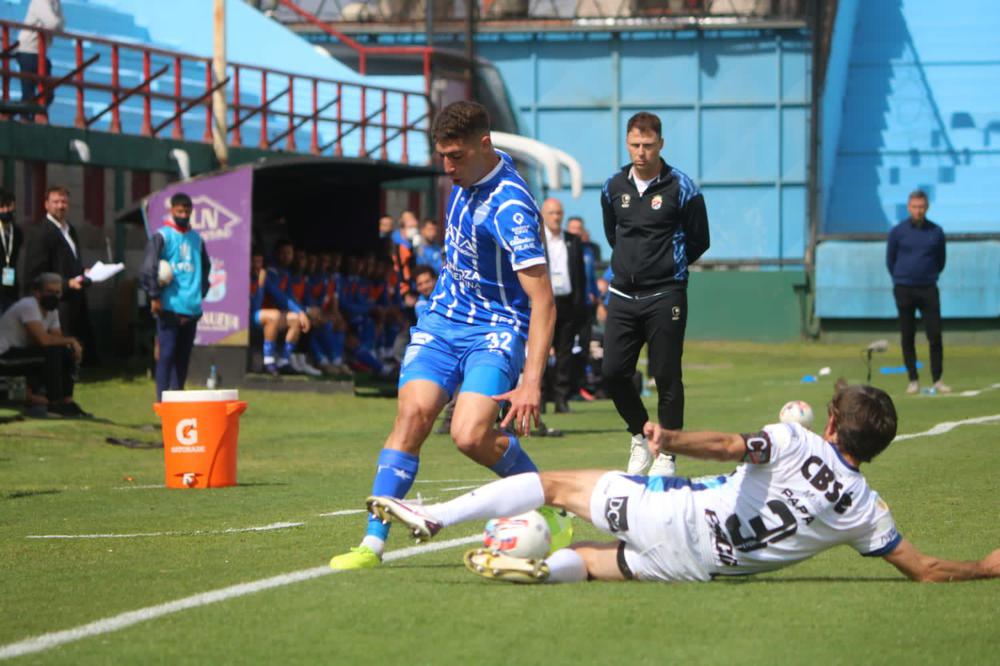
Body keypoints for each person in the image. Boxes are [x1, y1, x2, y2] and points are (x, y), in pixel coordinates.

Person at [369, 382, 1000, 586]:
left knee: (555, 483)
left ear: (833, 423)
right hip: (704, 569)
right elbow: (926, 569)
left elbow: (732, 446)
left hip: (677, 518)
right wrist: (988, 566)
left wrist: (669, 439)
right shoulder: (864, 509)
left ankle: (436, 518)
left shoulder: (794, 440)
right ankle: (537, 569)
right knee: (589, 563)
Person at [328, 100, 558, 571]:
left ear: (484, 145)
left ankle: (546, 500)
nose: (447, 167)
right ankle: (372, 543)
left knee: (470, 435)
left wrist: (532, 382)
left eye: (456, 156)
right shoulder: (466, 177)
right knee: (412, 414)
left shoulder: (512, 207)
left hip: (495, 329)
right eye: (443, 157)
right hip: (442, 322)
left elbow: (543, 301)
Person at [601, 111, 710, 477]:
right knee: (613, 373)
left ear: (661, 144)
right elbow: (613, 234)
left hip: (666, 295)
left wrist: (666, 267)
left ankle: (667, 452)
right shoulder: (613, 186)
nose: (641, 152)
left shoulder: (683, 187)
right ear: (627, 143)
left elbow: (700, 240)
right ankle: (638, 434)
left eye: (648, 145)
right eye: (635, 145)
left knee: (665, 374)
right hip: (622, 295)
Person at [140, 193, 210, 401]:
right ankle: (163, 402)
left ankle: (177, 400)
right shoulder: (163, 236)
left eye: (187, 211)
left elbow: (205, 268)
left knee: (183, 358)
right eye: (179, 211)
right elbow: (149, 267)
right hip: (169, 306)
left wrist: (200, 292)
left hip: (192, 307)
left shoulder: (197, 239)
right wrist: (154, 295)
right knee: (167, 355)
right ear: (171, 210)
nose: (183, 214)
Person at [886, 190, 948, 395]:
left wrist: (928, 275)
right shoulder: (898, 232)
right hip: (904, 288)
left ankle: (937, 379)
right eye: (914, 207)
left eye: (921, 207)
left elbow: (941, 261)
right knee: (907, 335)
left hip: (928, 288)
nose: (918, 210)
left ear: (927, 208)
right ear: (908, 207)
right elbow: (890, 260)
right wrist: (901, 278)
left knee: (935, 335)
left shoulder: (936, 232)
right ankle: (913, 379)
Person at [0, 272, 88, 418]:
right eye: (49, 291)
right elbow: (44, 340)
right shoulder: (28, 305)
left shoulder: (52, 311)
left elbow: (57, 339)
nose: (53, 296)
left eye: (57, 292)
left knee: (64, 351)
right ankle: (54, 404)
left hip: (21, 353)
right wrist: (72, 340)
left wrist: (70, 347)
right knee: (53, 352)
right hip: (5, 356)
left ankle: (67, 401)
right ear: (37, 292)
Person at [23, 186, 94, 359]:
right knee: (58, 355)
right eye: (56, 202)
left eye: (64, 202)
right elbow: (35, 274)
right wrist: (65, 283)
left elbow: (69, 263)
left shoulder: (70, 230)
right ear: (46, 205)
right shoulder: (41, 232)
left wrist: (84, 272)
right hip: (55, 304)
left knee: (72, 355)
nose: (60, 206)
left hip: (74, 303)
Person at [539, 198, 587, 413]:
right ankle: (539, 398)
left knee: (564, 354)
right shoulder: (536, 240)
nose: (556, 217)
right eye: (551, 213)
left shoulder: (572, 241)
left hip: (567, 303)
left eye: (559, 213)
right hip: (543, 303)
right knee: (539, 351)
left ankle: (561, 399)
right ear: (543, 215)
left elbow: (580, 275)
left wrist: (579, 303)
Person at [249, 243, 310, 376]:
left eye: (259, 262)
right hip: (246, 317)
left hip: (261, 316)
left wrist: (301, 312)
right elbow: (255, 307)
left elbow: (281, 296)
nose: (256, 266)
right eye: (253, 262)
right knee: (275, 315)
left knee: (295, 319)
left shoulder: (265, 277)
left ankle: (284, 361)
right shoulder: (243, 277)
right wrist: (260, 286)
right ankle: (268, 361)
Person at [15, 0, 64, 120]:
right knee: (29, 92)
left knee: (47, 93)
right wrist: (56, 24)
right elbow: (53, 23)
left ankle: (30, 116)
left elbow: (60, 25)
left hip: (39, 52)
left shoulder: (55, 2)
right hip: (28, 50)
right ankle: (25, 119)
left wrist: (56, 24)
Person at [0, 187, 24, 313]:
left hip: (11, 287)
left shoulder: (17, 232)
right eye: (1, 206)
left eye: (8, 206)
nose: (5, 210)